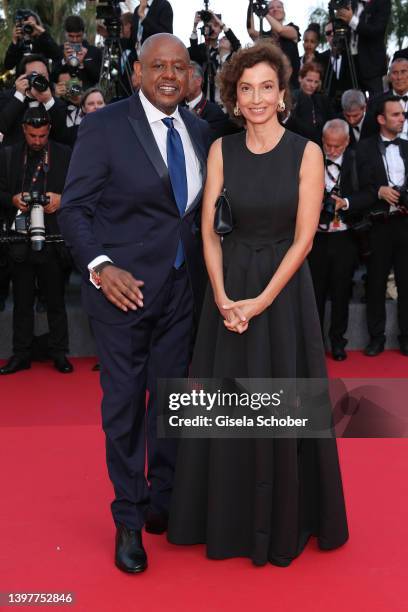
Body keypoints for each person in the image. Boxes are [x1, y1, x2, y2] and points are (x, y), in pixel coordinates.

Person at [167, 43, 348, 566]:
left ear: (283, 92)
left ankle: (284, 520)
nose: (257, 98)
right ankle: (225, 519)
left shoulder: (307, 152)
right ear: (233, 96)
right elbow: (208, 230)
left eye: (266, 87)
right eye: (246, 89)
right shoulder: (222, 150)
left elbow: (304, 240)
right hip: (228, 291)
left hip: (283, 293)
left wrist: (259, 302)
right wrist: (224, 297)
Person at [59, 33, 210, 574]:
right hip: (121, 294)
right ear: (138, 73)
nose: (169, 74)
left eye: (179, 66)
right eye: (157, 65)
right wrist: (100, 267)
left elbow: (192, 214)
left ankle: (162, 499)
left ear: (192, 75)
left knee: (171, 402)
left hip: (180, 292)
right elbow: (73, 209)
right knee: (124, 407)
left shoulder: (199, 129)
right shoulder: (102, 126)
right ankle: (128, 516)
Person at [0, 107, 73, 375]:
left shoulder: (64, 154)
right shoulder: (8, 155)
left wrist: (61, 199)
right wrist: (11, 199)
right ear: (23, 130)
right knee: (21, 300)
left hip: (53, 236)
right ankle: (20, 354)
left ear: (49, 130)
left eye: (42, 135)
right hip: (18, 237)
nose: (38, 141)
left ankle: (60, 353)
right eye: (33, 135)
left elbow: (80, 188)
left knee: (55, 300)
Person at [308, 119, 373, 361]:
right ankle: (313, 347)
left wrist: (345, 202)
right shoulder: (311, 158)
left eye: (337, 146)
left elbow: (369, 192)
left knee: (341, 292)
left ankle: (338, 342)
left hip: (345, 237)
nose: (332, 150)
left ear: (346, 142)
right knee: (313, 294)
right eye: (328, 145)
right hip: (316, 238)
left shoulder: (356, 161)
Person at [357, 96, 408, 357]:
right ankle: (376, 338)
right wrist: (378, 190)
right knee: (375, 284)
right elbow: (358, 186)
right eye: (396, 114)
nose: (401, 118)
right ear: (381, 119)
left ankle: (406, 339)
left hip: (405, 225)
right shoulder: (364, 149)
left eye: (402, 114)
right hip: (377, 225)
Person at [334, 0, 391, 95]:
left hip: (372, 65)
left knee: (377, 101)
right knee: (350, 101)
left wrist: (351, 20)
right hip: (349, 61)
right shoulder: (350, 2)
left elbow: (376, 30)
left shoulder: (383, 3)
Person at [189, 10, 241, 103]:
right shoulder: (201, 49)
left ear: (221, 30)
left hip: (224, 103)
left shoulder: (226, 51)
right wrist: (195, 26)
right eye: (209, 25)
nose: (212, 28)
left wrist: (222, 24)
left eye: (216, 26)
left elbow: (237, 45)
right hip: (203, 103)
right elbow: (193, 52)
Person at [247, 0, 300, 89]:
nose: (275, 9)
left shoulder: (293, 30)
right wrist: (251, 4)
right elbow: (251, 31)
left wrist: (265, 13)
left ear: (284, 12)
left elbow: (280, 30)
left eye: (279, 7)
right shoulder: (265, 36)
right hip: (271, 87)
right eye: (271, 8)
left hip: (291, 88)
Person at [186, 62, 238, 141]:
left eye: (186, 79)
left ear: (198, 81)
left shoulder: (214, 113)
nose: (181, 82)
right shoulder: (174, 107)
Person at [286, 61, 332, 145]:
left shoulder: (321, 100)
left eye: (316, 82)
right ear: (300, 78)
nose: (312, 85)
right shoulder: (292, 99)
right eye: (309, 80)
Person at [52, 16, 102, 89]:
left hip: (87, 96)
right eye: (71, 36)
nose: (75, 40)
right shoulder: (59, 50)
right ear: (65, 34)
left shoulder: (94, 51)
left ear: (83, 34)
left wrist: (82, 63)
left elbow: (97, 78)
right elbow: (52, 77)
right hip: (64, 96)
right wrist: (65, 60)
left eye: (78, 36)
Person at [320, 22, 357, 111]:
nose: (332, 35)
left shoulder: (353, 58)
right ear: (326, 37)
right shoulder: (320, 58)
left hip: (350, 108)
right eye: (328, 33)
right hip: (326, 108)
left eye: (335, 31)